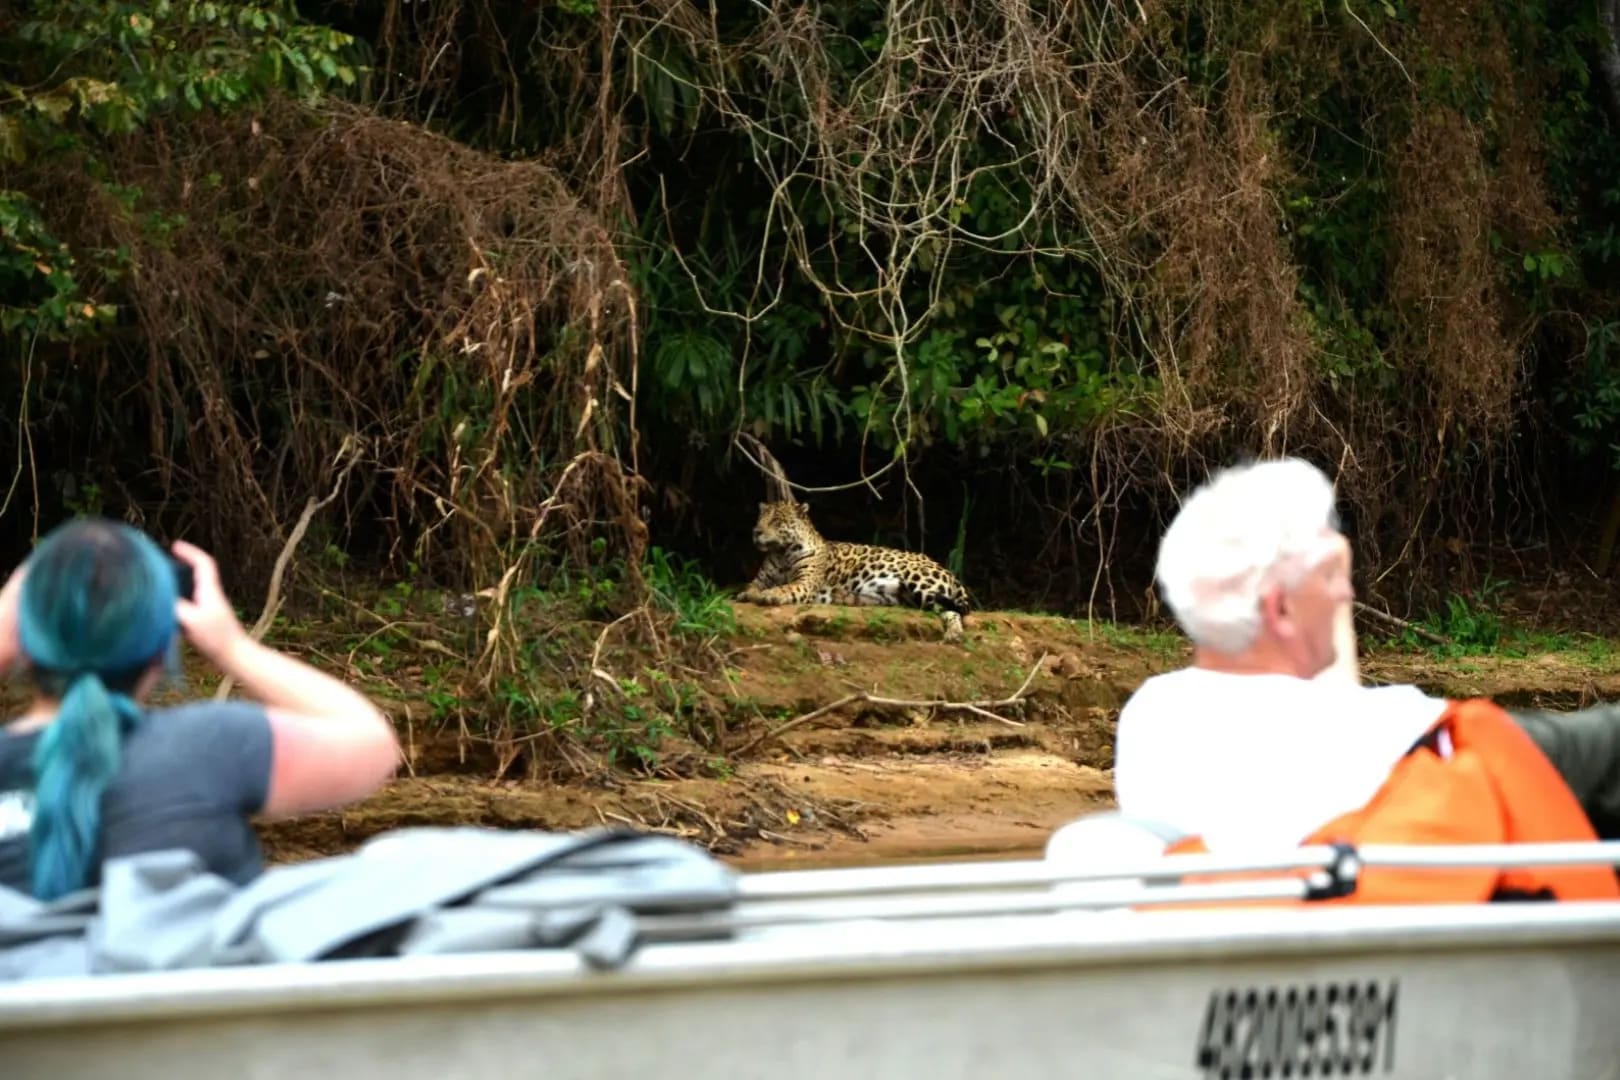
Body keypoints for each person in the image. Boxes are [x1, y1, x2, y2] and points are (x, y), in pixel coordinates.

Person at [1108, 457, 1620, 900]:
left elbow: (1321, 698)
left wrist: (1317, 574)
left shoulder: (1151, 714)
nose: (1344, 598)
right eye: (1332, 578)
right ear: (1280, 609)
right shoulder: (1379, 730)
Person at [0, 517, 401, 900]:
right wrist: (233, 647)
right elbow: (372, 741)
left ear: (24, 643)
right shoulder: (213, 747)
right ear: (162, 650)